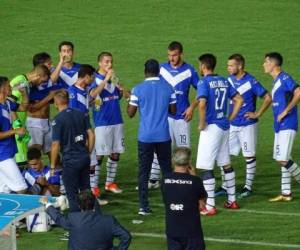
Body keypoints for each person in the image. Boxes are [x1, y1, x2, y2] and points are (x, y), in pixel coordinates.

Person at [215, 54, 272, 198]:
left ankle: (248, 187)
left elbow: (267, 97)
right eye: (228, 65)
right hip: (232, 125)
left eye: (231, 65)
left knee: (249, 156)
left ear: (239, 66)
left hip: (247, 125)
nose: (228, 68)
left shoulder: (251, 81)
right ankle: (225, 185)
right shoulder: (227, 81)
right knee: (224, 154)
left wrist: (257, 114)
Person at [196, 53, 243, 216]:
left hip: (211, 128)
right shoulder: (224, 80)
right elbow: (239, 100)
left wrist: (202, 122)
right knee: (225, 163)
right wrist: (231, 117)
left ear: (203, 66)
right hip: (224, 126)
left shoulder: (203, 82)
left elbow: (202, 104)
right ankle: (232, 200)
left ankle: (210, 206)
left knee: (206, 166)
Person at [127, 59, 176, 215]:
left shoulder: (138, 89)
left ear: (145, 71)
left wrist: (130, 99)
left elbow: (130, 113)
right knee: (167, 171)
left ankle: (143, 206)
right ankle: (171, 204)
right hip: (163, 136)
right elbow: (173, 111)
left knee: (144, 172)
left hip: (145, 137)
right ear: (159, 72)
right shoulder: (168, 88)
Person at [148, 41, 199, 188]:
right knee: (161, 147)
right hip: (166, 117)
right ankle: (153, 179)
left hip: (183, 117)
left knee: (184, 149)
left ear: (181, 54)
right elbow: (153, 87)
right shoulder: (162, 69)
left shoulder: (189, 70)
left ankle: (187, 178)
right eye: (169, 55)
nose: (172, 58)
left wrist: (191, 107)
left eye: (175, 55)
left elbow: (202, 92)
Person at [263, 52, 300, 202]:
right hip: (279, 125)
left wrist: (286, 110)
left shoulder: (285, 78)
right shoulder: (276, 81)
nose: (263, 65)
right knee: (283, 157)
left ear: (273, 64)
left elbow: (298, 92)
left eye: (266, 62)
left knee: (283, 159)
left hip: (288, 123)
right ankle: (286, 193)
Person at [40, 190, 131, 250]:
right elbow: (126, 236)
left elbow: (58, 218)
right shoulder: (109, 220)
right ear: (95, 202)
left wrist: (47, 204)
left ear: (79, 205)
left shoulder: (73, 218)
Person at [50, 89, 95, 211]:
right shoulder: (81, 114)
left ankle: (76, 225)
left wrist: (53, 166)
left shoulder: (57, 120)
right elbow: (91, 134)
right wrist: (88, 152)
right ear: (68, 101)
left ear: (56, 103)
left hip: (70, 160)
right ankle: (93, 217)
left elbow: (55, 145)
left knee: (72, 194)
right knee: (86, 190)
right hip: (84, 157)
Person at [67, 64, 104, 202]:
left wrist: (94, 103)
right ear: (86, 77)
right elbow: (73, 114)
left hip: (88, 129)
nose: (93, 80)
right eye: (92, 77)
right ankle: (74, 193)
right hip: (80, 132)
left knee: (92, 163)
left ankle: (92, 194)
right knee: (81, 163)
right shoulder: (72, 91)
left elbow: (85, 106)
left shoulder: (85, 90)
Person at [89, 52, 125, 194]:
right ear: (100, 63)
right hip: (102, 122)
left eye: (111, 61)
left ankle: (110, 183)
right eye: (106, 62)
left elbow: (118, 94)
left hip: (117, 120)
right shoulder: (94, 79)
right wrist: (106, 79)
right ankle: (94, 187)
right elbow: (92, 95)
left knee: (116, 152)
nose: (109, 64)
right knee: (99, 154)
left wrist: (122, 92)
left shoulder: (114, 78)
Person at [161, 147, 207, 250]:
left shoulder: (164, 180)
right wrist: (194, 176)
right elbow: (202, 205)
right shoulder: (195, 181)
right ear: (189, 162)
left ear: (173, 160)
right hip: (191, 231)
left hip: (172, 230)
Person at [10, 65, 51, 165]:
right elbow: (9, 103)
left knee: (22, 160)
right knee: (21, 161)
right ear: (37, 76)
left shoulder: (27, 83)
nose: (41, 83)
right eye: (42, 80)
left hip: (20, 127)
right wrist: (17, 124)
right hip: (15, 127)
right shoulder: (20, 81)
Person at [26, 52, 64, 158]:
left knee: (54, 152)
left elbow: (60, 87)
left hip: (47, 122)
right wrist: (48, 97)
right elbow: (32, 108)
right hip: (34, 124)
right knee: (35, 153)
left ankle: (56, 173)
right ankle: (32, 174)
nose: (51, 66)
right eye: (49, 64)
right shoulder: (30, 85)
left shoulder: (46, 83)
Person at [0, 76, 28, 194]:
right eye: (8, 86)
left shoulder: (8, 102)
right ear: (2, 89)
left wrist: (24, 93)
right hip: (2, 155)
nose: (10, 87)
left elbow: (24, 107)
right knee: (22, 188)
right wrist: (15, 131)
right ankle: (31, 213)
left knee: (4, 190)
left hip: (9, 151)